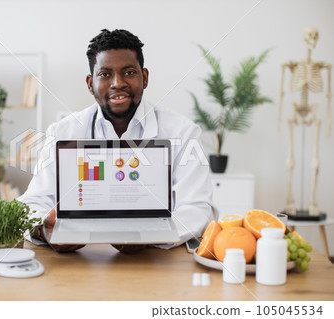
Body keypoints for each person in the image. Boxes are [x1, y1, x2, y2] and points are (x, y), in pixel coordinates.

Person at [18, 29, 218, 253]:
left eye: (129, 72)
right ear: (90, 83)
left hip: (157, 262)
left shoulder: (182, 133)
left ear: (145, 77)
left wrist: (149, 237)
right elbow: (32, 203)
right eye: (104, 74)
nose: (117, 83)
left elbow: (198, 208)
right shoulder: (62, 132)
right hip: (83, 263)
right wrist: (46, 231)